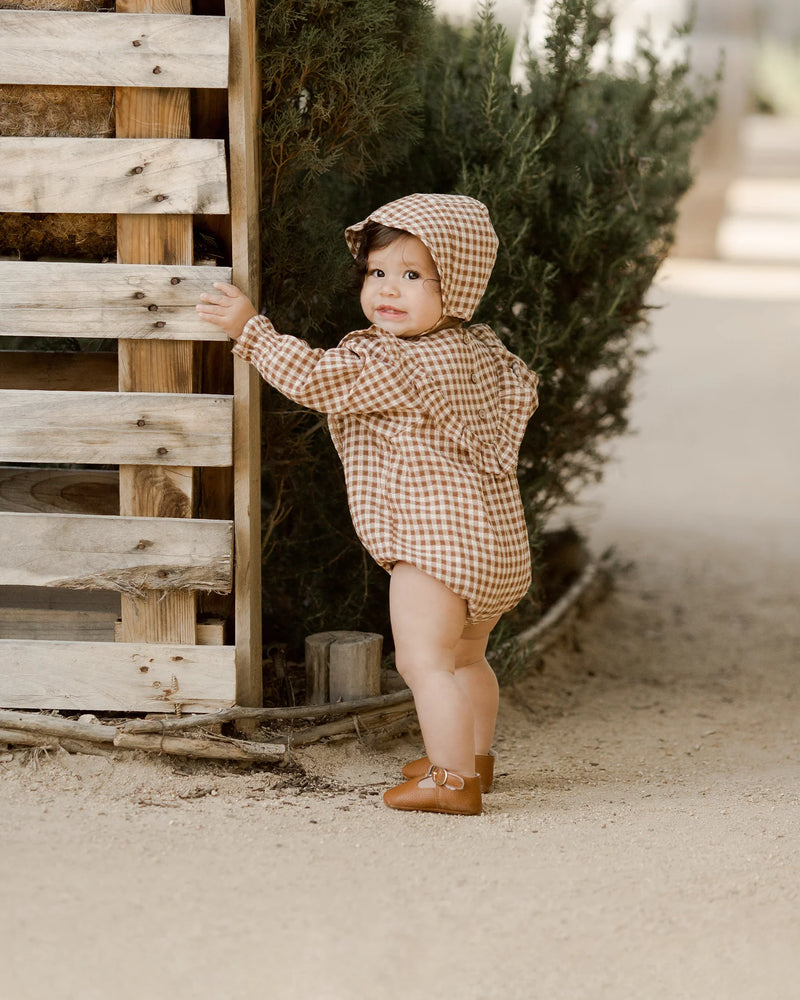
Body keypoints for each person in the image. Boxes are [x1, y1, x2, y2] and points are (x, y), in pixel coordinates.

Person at [197, 193, 539, 816]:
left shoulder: (389, 360)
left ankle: (452, 781)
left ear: (455, 286)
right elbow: (522, 395)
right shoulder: (483, 351)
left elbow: (313, 378)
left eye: (412, 276)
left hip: (434, 545)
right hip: (497, 546)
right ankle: (475, 760)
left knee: (422, 661)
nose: (389, 290)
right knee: (467, 659)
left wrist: (250, 329)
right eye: (378, 273)